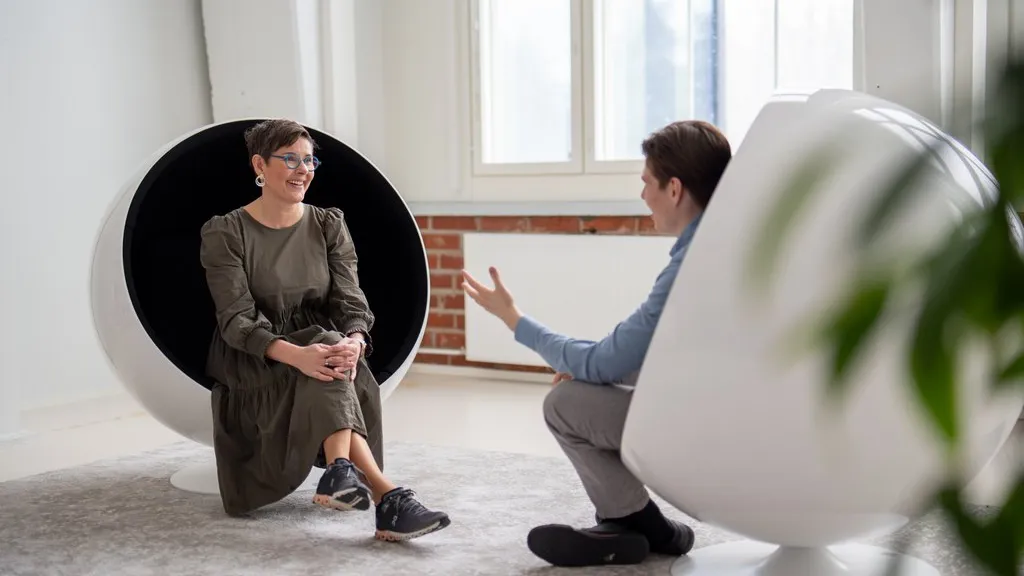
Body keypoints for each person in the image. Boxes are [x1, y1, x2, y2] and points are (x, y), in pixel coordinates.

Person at [462, 120, 732, 567]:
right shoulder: (725, 247)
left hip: (705, 434)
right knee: (584, 380)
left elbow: (607, 361)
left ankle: (638, 523)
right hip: (727, 413)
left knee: (566, 402)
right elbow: (665, 357)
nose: (642, 194)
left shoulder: (691, 267)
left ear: (675, 189)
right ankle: (628, 526)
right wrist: (591, 368)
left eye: (647, 182)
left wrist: (513, 318)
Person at [199, 118, 449, 541]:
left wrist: (355, 339)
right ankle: (382, 494)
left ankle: (342, 472)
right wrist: (296, 354)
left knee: (331, 344)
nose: (304, 169)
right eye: (291, 159)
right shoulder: (226, 232)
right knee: (324, 348)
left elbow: (350, 298)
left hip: (323, 347)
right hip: (256, 355)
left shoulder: (328, 223)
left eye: (310, 159)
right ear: (259, 164)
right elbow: (235, 319)